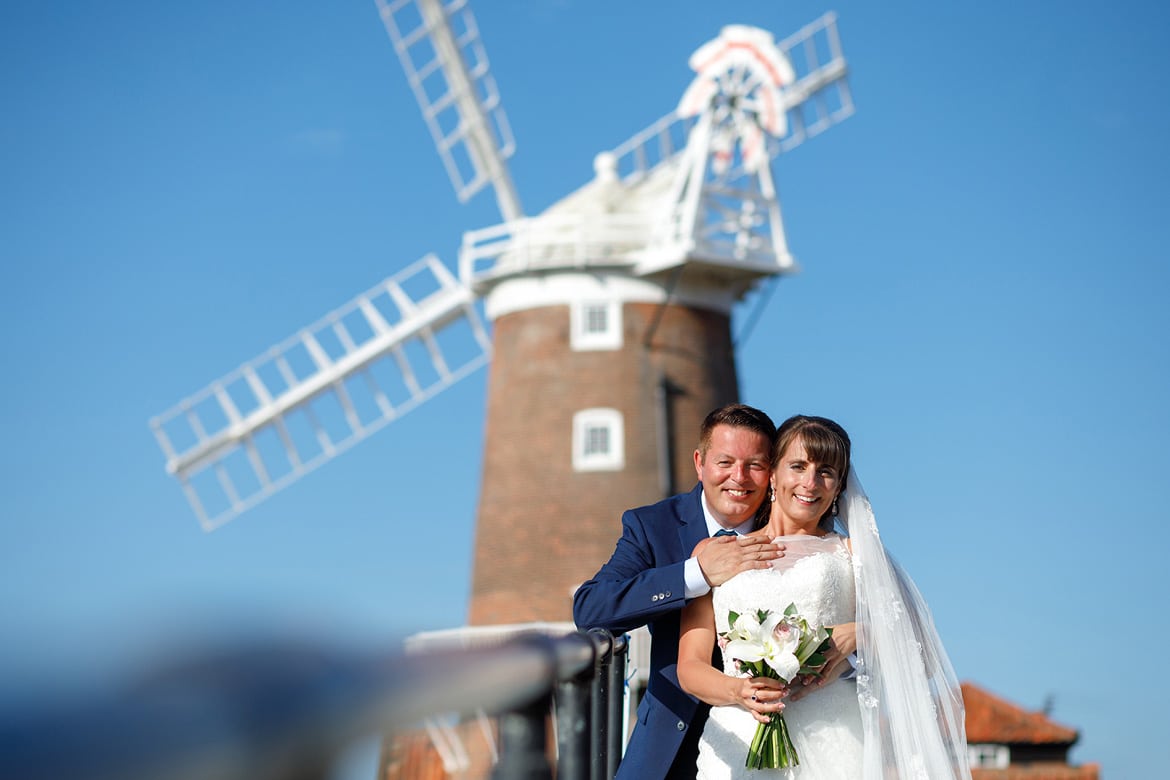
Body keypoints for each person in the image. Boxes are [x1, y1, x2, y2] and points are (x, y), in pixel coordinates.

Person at [677, 415, 971, 779]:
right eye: (798, 466)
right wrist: (740, 691)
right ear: (772, 473)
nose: (810, 483)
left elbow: (923, 658)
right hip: (738, 741)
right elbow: (690, 668)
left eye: (826, 472)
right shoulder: (715, 552)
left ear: (839, 487)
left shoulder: (854, 554)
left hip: (835, 741)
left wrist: (860, 633)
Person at [573, 404, 786, 780]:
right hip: (670, 748)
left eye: (755, 464)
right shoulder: (653, 525)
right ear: (699, 462)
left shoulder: (789, 527)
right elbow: (592, 608)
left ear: (771, 471)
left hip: (771, 744)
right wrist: (695, 574)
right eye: (725, 462)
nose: (739, 477)